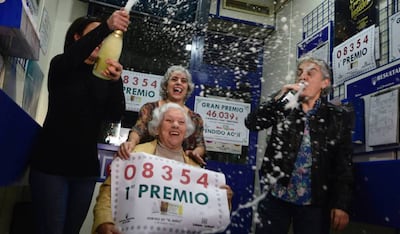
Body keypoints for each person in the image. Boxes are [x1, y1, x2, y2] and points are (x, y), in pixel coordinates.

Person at [29, 9, 130, 234]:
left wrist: (115, 81)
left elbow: (114, 116)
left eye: (103, 37)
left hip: (84, 170)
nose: (100, 40)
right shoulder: (62, 66)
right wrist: (107, 26)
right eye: (95, 34)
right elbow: (72, 57)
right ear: (77, 37)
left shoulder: (102, 77)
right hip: (51, 166)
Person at [245, 56, 354, 234]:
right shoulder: (284, 106)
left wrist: (341, 204)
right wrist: (277, 100)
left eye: (310, 73)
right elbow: (253, 123)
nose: (303, 77)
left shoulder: (337, 117)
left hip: (315, 202)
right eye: (300, 73)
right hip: (276, 196)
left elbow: (344, 163)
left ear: (324, 83)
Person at [92, 103, 233, 234]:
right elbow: (108, 193)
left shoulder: (195, 168)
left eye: (181, 122)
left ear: (186, 132)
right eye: (169, 121)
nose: (176, 125)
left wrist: (222, 201)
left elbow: (203, 215)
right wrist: (104, 222)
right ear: (157, 128)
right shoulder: (135, 155)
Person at [117, 65, 206, 165]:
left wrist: (195, 154)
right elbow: (138, 130)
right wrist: (131, 143)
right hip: (147, 163)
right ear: (166, 85)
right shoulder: (150, 108)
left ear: (187, 88)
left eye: (183, 81)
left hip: (180, 166)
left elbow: (200, 145)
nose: (179, 83)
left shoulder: (195, 119)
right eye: (174, 79)